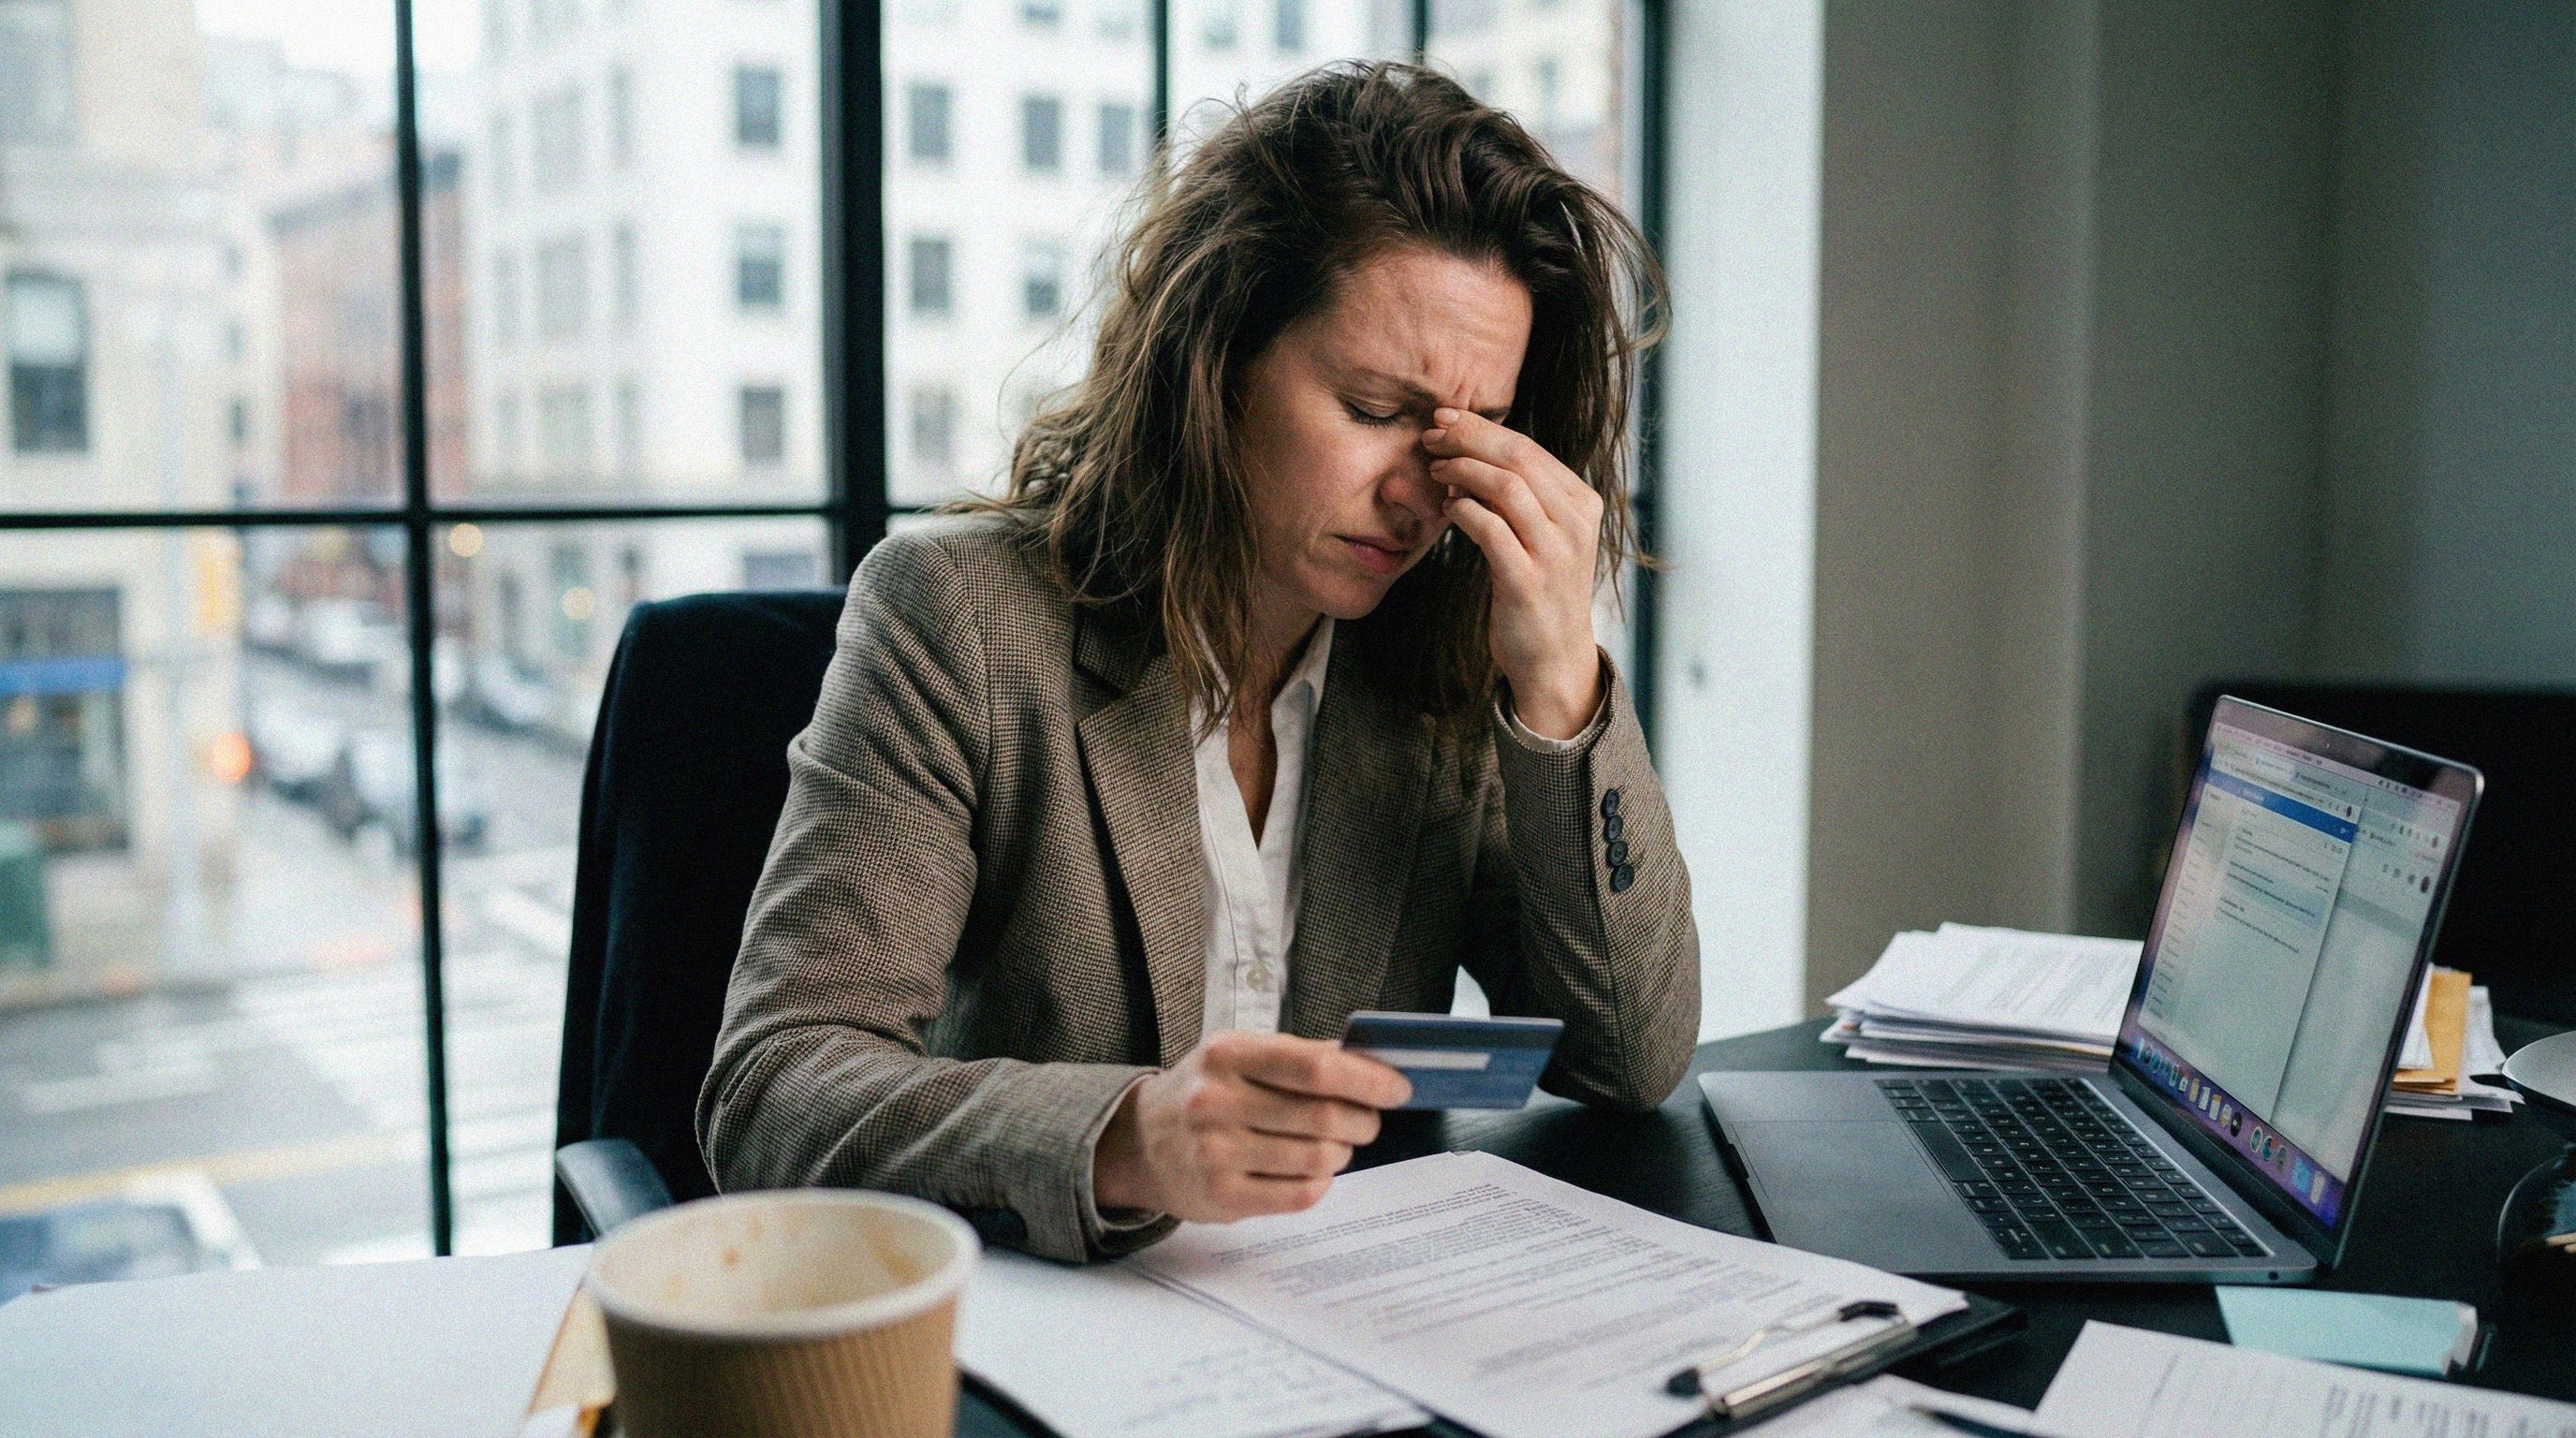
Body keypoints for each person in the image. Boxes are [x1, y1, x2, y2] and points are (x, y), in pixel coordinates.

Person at [696, 61, 1697, 1263]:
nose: (1418, 495)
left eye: (1464, 439)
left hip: (1356, 1321)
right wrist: (1120, 1138)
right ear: (1212, 363)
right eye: (1375, 409)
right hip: (1056, 1323)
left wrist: (1560, 687)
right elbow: (773, 1083)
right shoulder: (957, 618)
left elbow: (1629, 1057)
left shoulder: (1440, 666)